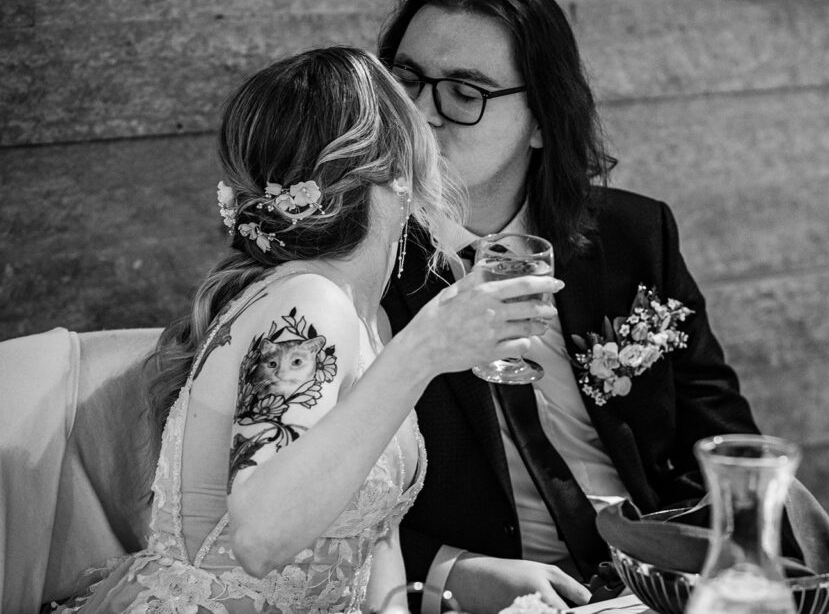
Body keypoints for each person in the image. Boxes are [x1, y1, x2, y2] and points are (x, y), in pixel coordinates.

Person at [56, 46, 562, 613]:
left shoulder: (367, 318)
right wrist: (427, 348)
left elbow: (375, 542)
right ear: (401, 169)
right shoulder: (308, 304)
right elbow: (258, 539)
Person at [378, 0, 762, 612]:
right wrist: (452, 574)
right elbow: (299, 496)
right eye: (407, 80)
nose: (419, 113)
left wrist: (717, 560)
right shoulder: (357, 264)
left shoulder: (635, 234)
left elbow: (722, 439)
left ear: (542, 120)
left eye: (464, 92)